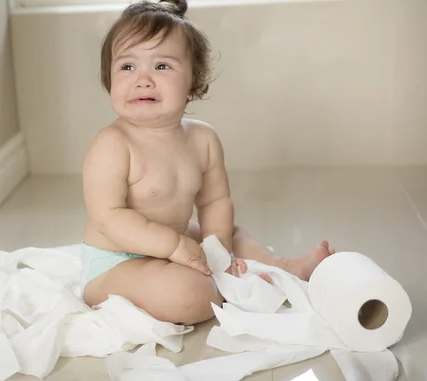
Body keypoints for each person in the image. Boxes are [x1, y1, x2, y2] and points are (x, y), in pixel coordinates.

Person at [80, 0, 334, 325]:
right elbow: (109, 218)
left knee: (231, 234)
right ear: (109, 78)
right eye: (127, 67)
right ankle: (224, 288)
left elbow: (215, 201)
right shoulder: (112, 144)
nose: (142, 79)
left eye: (162, 67)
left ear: (195, 81)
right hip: (117, 261)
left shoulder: (203, 139)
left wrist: (220, 252)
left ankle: (284, 267)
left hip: (178, 240)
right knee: (185, 295)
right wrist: (173, 247)